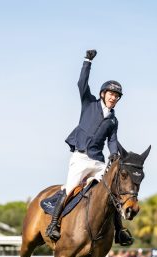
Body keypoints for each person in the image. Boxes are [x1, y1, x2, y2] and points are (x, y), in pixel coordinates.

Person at [45, 49, 133, 246]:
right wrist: (87, 62)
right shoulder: (89, 103)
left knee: (113, 192)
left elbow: (112, 140)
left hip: (98, 161)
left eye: (117, 96)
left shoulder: (113, 120)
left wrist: (114, 155)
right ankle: (54, 223)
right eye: (111, 94)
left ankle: (120, 231)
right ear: (103, 94)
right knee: (68, 190)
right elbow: (81, 84)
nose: (113, 98)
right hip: (81, 158)